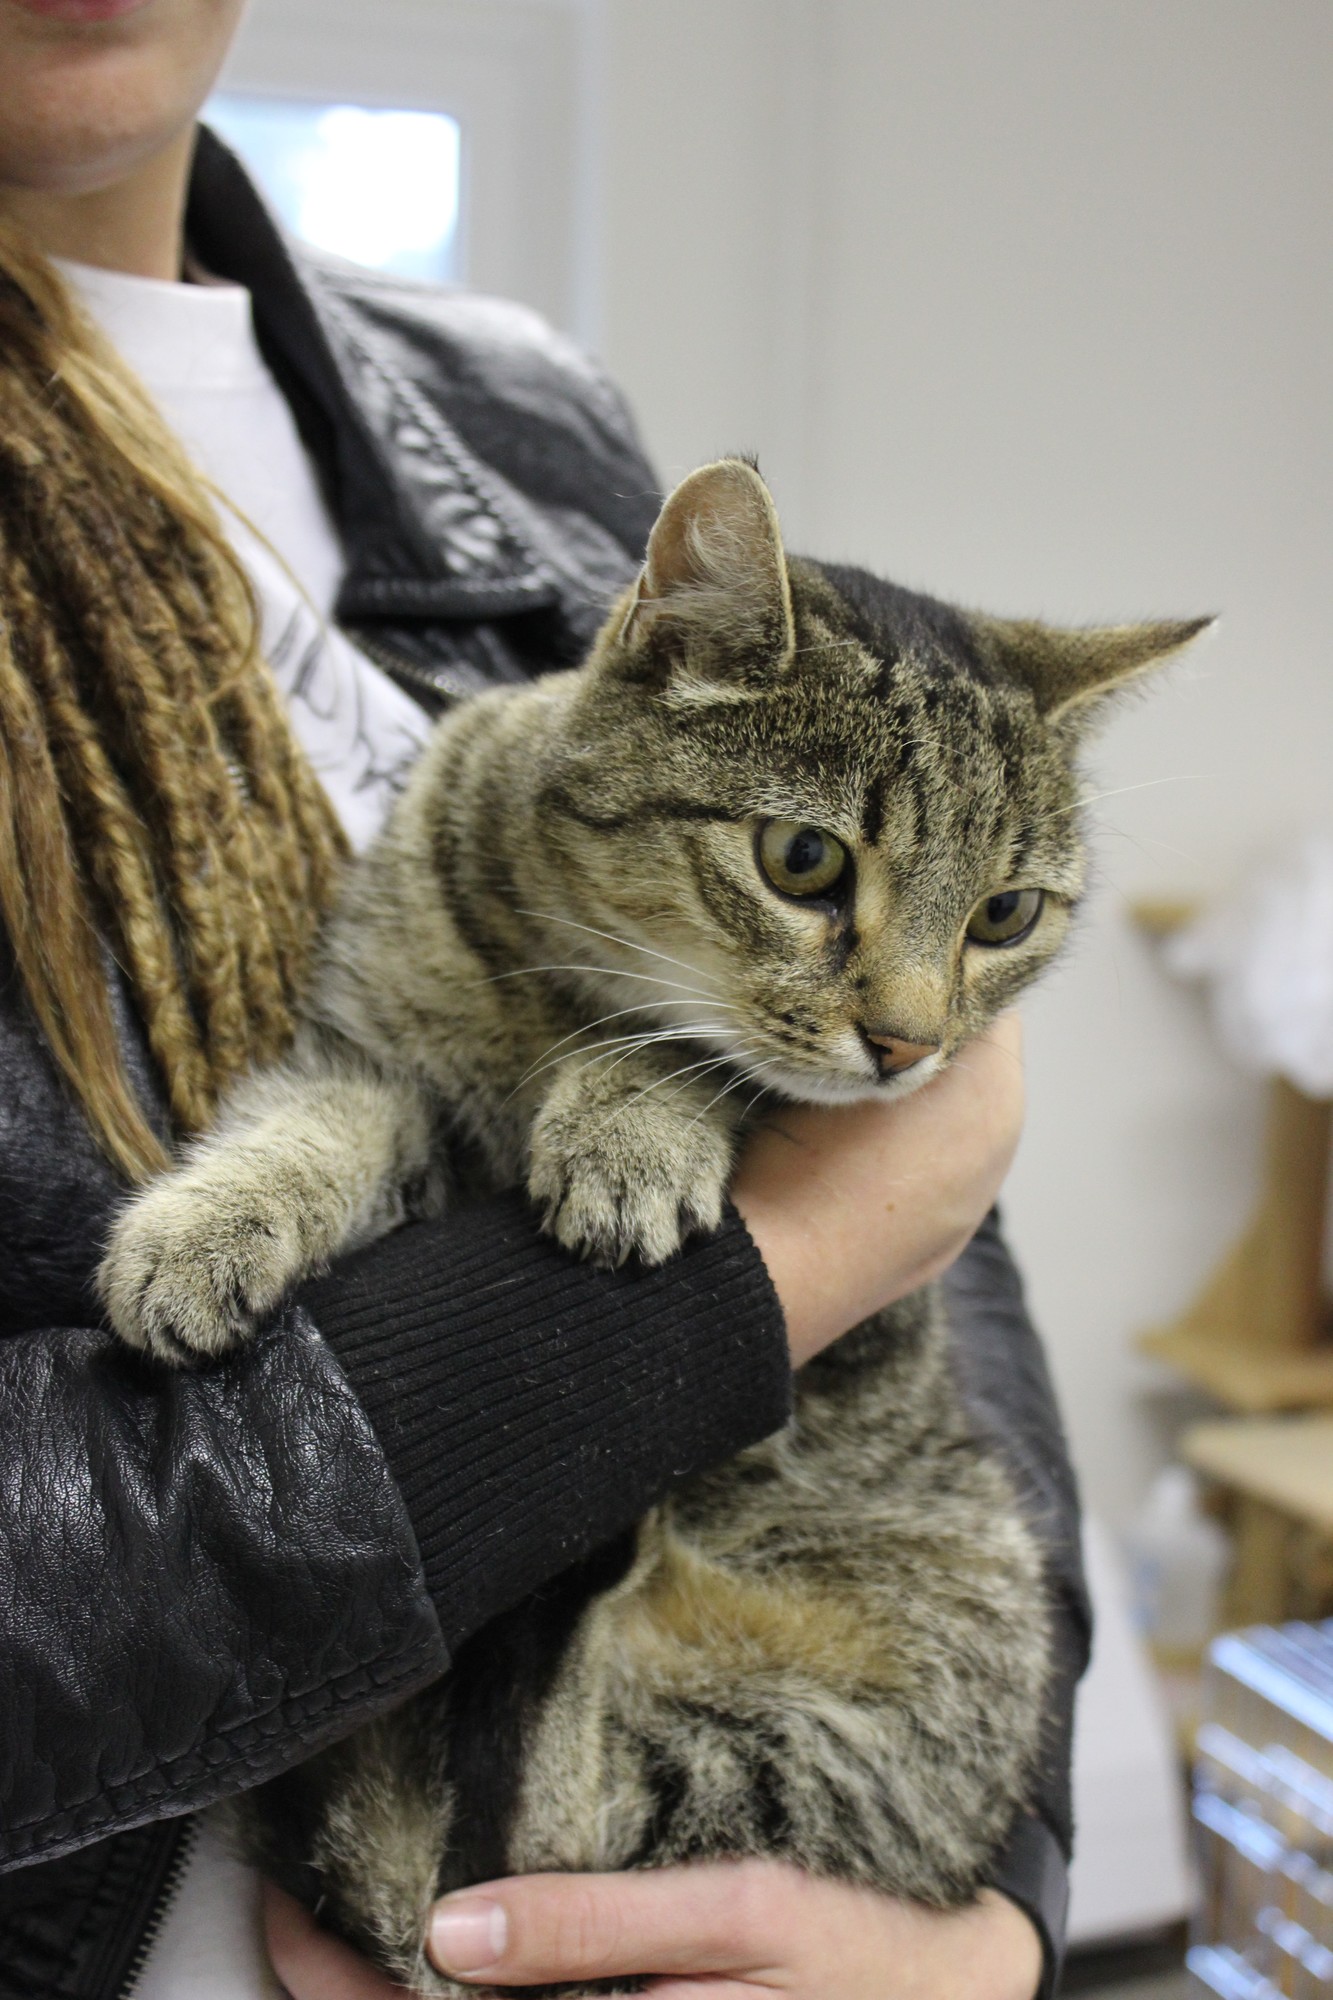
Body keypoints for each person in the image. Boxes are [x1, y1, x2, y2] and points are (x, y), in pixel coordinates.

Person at [0, 2, 1089, 1996]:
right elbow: (844, 1218)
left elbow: (925, 1215)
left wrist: (982, 1909)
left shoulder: (519, 408)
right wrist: (732, 1285)